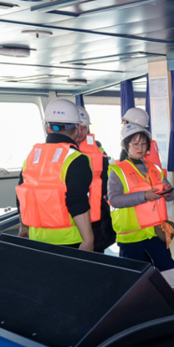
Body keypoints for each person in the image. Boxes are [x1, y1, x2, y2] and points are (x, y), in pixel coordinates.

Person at [16, 99, 95, 251]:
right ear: (77, 129)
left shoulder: (32, 157)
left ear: (48, 128)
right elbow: (77, 201)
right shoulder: (76, 158)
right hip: (70, 239)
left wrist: (24, 227)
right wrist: (88, 239)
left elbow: (22, 197)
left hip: (37, 238)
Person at [108, 123, 174, 270]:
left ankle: (170, 286)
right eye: (135, 144)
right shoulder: (118, 170)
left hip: (156, 231)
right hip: (132, 233)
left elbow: (171, 195)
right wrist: (144, 196)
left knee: (167, 267)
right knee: (133, 273)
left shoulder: (155, 168)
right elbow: (114, 200)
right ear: (125, 146)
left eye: (144, 144)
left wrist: (169, 193)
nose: (140, 148)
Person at [76, 106, 116, 253]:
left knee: (98, 252)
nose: (81, 131)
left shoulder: (98, 149)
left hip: (96, 209)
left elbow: (105, 180)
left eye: (84, 127)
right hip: (71, 211)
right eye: (78, 127)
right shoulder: (60, 151)